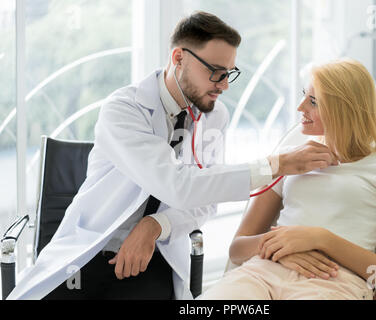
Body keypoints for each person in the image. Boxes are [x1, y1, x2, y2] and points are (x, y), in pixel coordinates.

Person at [7, 11, 337, 300]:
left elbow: (205, 201)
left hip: (157, 254)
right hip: (91, 249)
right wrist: (276, 164)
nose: (224, 86)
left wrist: (155, 225)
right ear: (179, 58)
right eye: (216, 72)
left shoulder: (214, 117)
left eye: (230, 73)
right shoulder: (124, 110)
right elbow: (178, 186)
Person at [198, 58, 376, 300]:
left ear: (342, 110)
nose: (300, 107)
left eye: (313, 101)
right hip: (261, 274)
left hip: (333, 285)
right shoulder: (292, 160)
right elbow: (237, 250)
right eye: (304, 95)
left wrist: (321, 239)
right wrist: (281, 247)